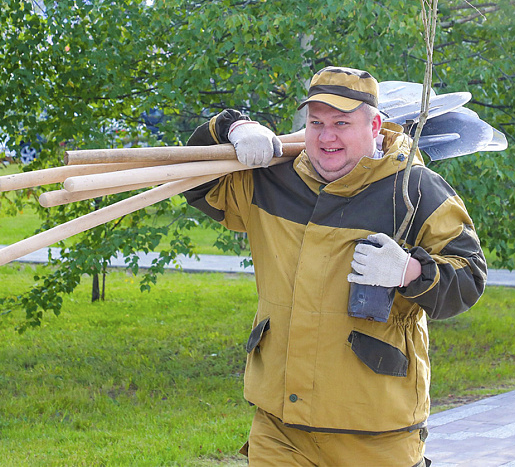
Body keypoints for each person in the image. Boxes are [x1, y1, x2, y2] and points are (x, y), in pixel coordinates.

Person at [184, 66, 486, 467]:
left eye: (341, 123)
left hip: (374, 430)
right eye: (316, 123)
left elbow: (469, 279)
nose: (326, 137)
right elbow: (192, 180)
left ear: (376, 124)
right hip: (280, 427)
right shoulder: (273, 180)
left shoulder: (416, 190)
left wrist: (408, 272)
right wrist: (231, 128)